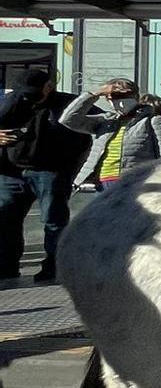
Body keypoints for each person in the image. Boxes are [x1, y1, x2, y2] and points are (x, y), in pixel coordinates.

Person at [0, 68, 89, 284]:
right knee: (6, 220)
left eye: (34, 91)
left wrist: (72, 167)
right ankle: (6, 267)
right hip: (11, 172)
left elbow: (92, 129)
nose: (28, 96)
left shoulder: (68, 103)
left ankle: (53, 266)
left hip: (51, 171)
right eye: (23, 92)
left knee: (54, 221)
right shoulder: (10, 102)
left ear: (49, 87)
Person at [60, 78, 161, 191]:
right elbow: (69, 120)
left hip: (137, 180)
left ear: (135, 96)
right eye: (112, 97)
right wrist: (94, 94)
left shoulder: (153, 121)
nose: (118, 102)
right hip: (102, 180)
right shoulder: (106, 121)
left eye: (123, 96)